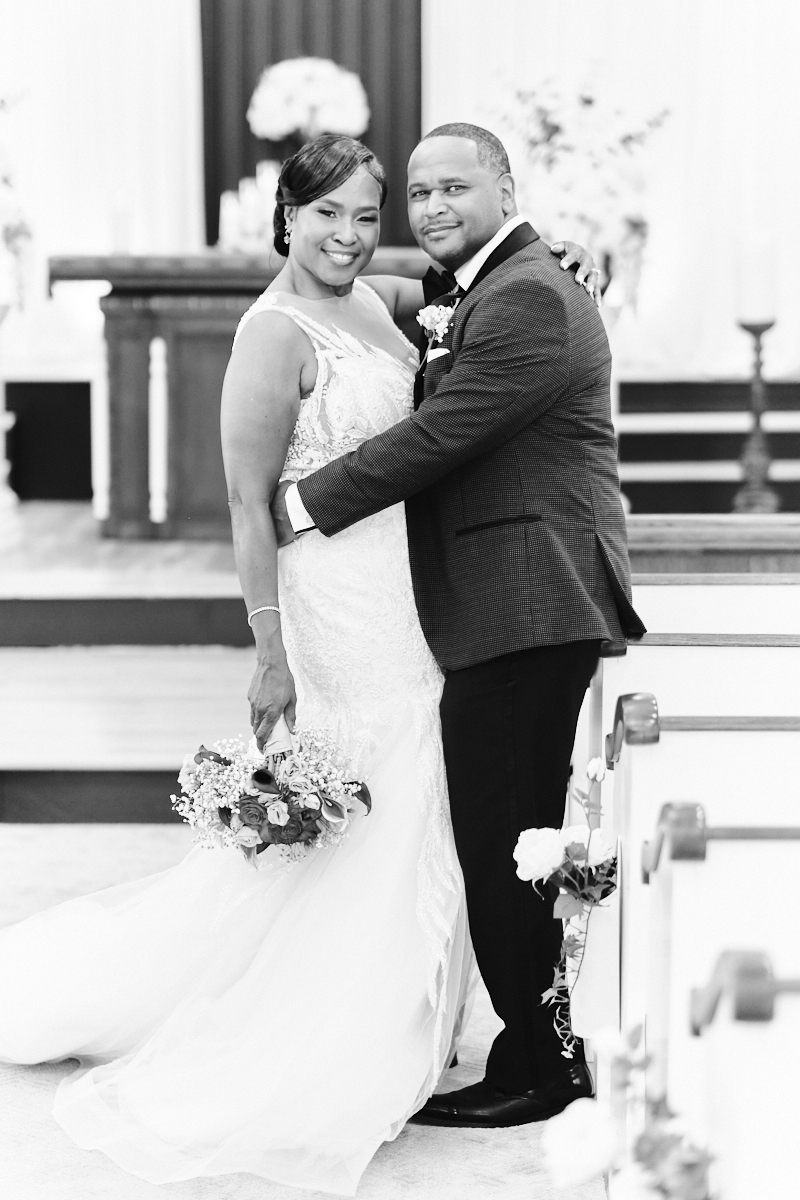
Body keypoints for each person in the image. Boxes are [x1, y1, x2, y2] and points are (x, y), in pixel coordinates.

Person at [0, 133, 602, 1195]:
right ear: (285, 217)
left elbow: (463, 284)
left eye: (369, 214)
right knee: (371, 797)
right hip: (332, 596)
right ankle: (341, 1028)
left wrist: (552, 254)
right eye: (326, 214)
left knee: (433, 793)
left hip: (417, 593)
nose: (349, 235)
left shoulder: (381, 297)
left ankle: (412, 1015)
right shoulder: (269, 333)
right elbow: (248, 503)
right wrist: (268, 647)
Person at [268, 123, 646, 1130]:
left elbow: (443, 430)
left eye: (455, 189)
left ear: (505, 190)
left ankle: (538, 1070)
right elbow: (384, 300)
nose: (432, 207)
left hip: (526, 601)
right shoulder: (491, 281)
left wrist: (303, 503)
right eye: (420, 192)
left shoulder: (524, 293)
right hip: (509, 603)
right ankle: (538, 1048)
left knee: (506, 840)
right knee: (505, 837)